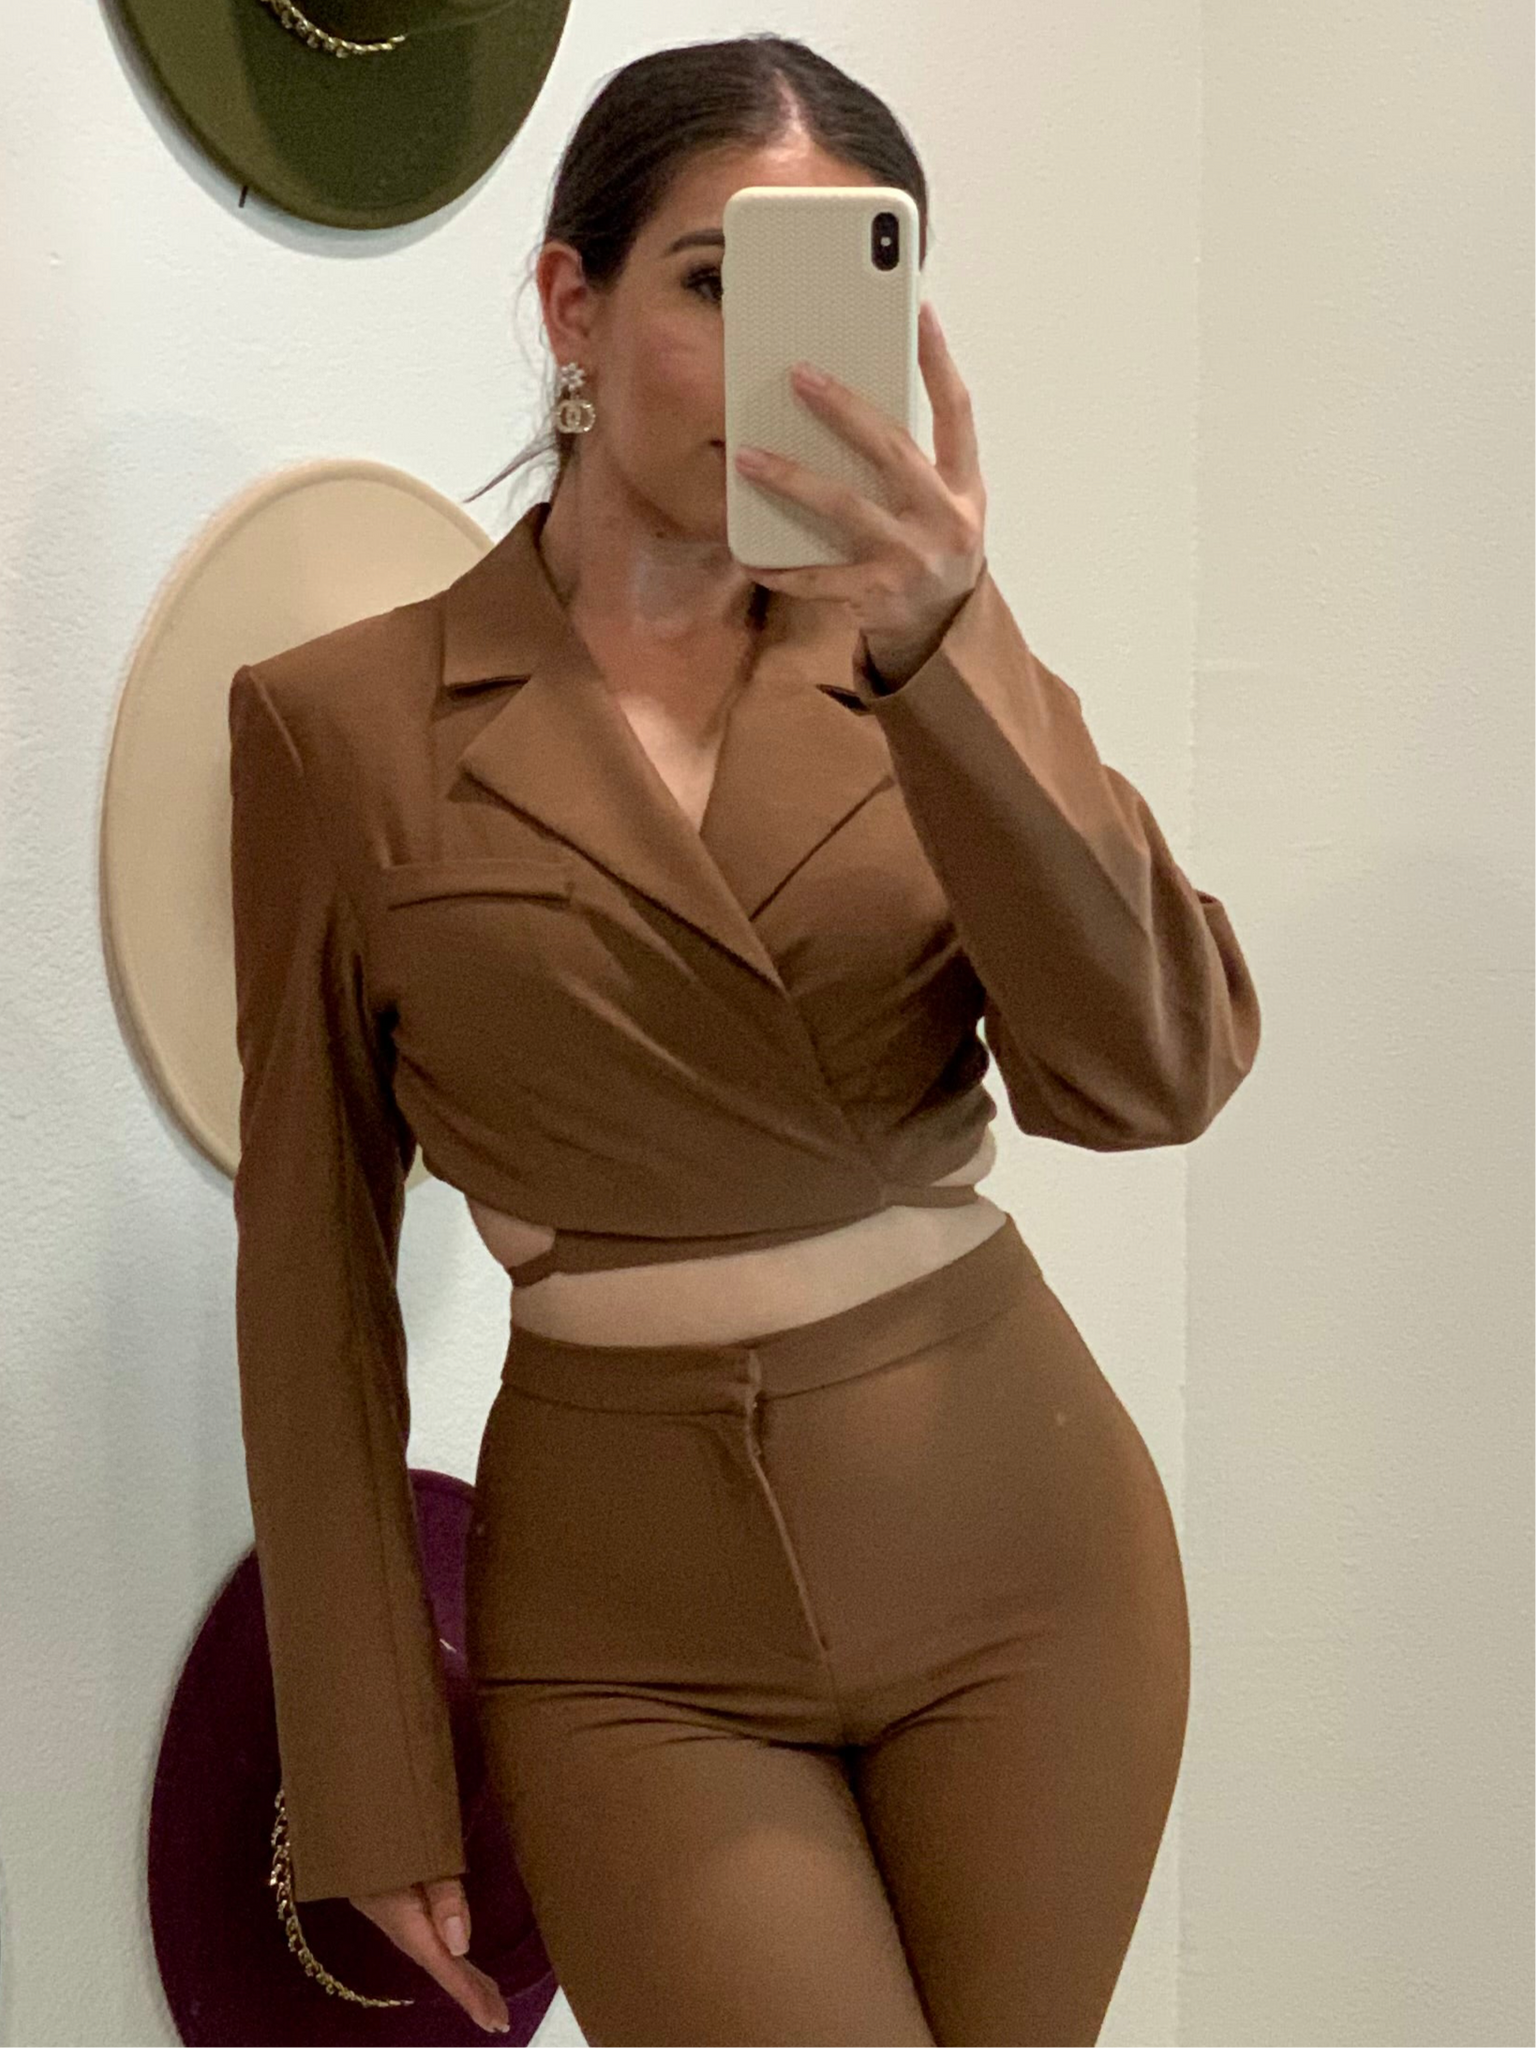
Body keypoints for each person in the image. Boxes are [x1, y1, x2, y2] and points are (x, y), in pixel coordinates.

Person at [228, 33, 1261, 2045]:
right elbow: (310, 1274)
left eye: (833, 299)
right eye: (713, 282)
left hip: (1025, 1556)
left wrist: (949, 641)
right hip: (632, 1628)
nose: (775, 363)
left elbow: (1155, 1074)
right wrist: (364, 1758)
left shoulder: (925, 666)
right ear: (572, 302)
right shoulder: (335, 728)